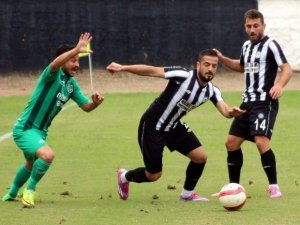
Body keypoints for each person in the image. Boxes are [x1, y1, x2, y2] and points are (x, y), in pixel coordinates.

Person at [106, 49, 246, 201]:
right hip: (153, 125)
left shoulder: (212, 91)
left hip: (173, 127)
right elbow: (152, 71)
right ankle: (124, 176)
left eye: (214, 66)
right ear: (198, 65)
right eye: (207, 65)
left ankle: (187, 194)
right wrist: (122, 67)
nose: (210, 69)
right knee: (153, 175)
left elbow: (224, 110)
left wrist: (232, 112)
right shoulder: (182, 75)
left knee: (200, 157)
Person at [2, 32, 104, 207]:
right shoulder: (51, 75)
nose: (77, 64)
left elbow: (85, 107)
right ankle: (29, 191)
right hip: (25, 129)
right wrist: (75, 49)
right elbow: (55, 64)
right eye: (74, 60)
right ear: (64, 59)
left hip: (39, 132)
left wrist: (95, 103)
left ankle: (11, 193)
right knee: (47, 155)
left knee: (30, 163)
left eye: (78, 60)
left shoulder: (71, 84)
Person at [214, 9, 292, 198]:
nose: (252, 29)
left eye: (256, 26)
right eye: (249, 26)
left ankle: (274, 186)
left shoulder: (271, 45)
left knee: (261, 141)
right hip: (247, 103)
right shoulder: (246, 46)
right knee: (231, 143)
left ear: (263, 26)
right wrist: (223, 59)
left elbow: (286, 68)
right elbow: (241, 67)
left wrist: (279, 85)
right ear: (245, 27)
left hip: (265, 102)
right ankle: (233, 186)